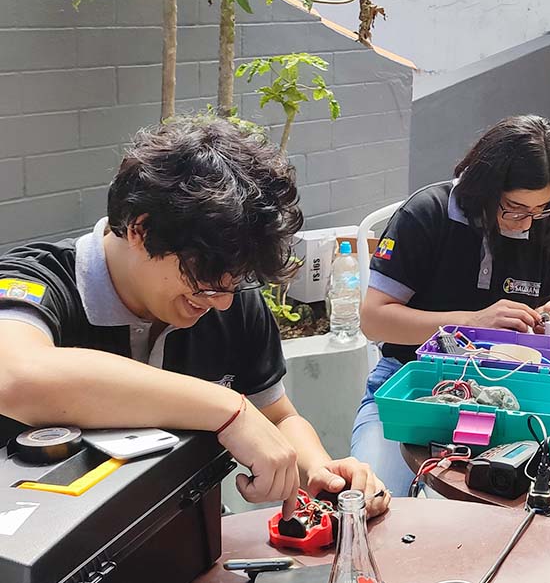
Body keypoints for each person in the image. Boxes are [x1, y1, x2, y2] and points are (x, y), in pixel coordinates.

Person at [0, 117, 388, 519]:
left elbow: (276, 416)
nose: (221, 303)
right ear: (140, 229)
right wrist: (225, 409)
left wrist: (318, 471)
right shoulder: (34, 282)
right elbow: (18, 378)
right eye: (205, 283)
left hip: (184, 530)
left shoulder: (230, 297)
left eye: (233, 284)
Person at [353, 115, 550, 497]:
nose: (527, 221)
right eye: (515, 207)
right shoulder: (427, 214)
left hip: (511, 396)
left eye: (541, 207)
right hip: (413, 387)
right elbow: (374, 320)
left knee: (534, 507)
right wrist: (472, 322)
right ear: (485, 188)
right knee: (376, 502)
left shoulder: (543, 225)